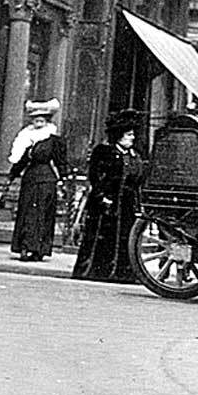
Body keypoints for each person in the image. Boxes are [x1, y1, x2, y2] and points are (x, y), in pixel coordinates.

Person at [72, 109, 147, 283]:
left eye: (133, 134)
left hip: (127, 205)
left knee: (126, 239)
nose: (132, 138)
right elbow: (95, 177)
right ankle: (97, 271)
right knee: (104, 238)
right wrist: (102, 197)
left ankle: (123, 273)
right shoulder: (104, 151)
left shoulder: (134, 155)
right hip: (107, 203)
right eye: (129, 134)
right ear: (118, 136)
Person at [7, 99, 69, 262]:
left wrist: (63, 178)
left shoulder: (52, 139)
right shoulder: (27, 137)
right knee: (27, 213)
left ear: (47, 121)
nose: (38, 123)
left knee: (40, 214)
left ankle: (38, 249)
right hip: (30, 179)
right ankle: (25, 246)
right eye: (36, 120)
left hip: (46, 180)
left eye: (42, 120)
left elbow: (60, 160)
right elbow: (21, 161)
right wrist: (12, 176)